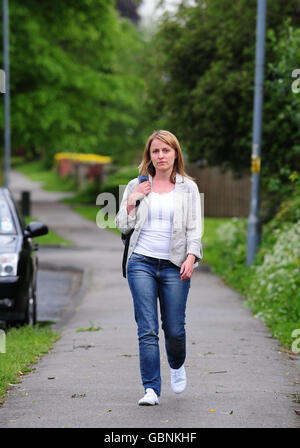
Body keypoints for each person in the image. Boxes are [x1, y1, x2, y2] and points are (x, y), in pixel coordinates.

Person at [116, 130, 203, 406]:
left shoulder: (187, 187)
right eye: (155, 151)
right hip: (140, 261)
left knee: (175, 329)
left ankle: (176, 365)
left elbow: (195, 228)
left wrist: (191, 256)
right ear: (149, 156)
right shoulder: (137, 184)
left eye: (166, 150)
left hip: (174, 265)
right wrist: (133, 199)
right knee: (147, 328)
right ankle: (151, 388)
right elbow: (121, 225)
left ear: (175, 153)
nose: (161, 156)